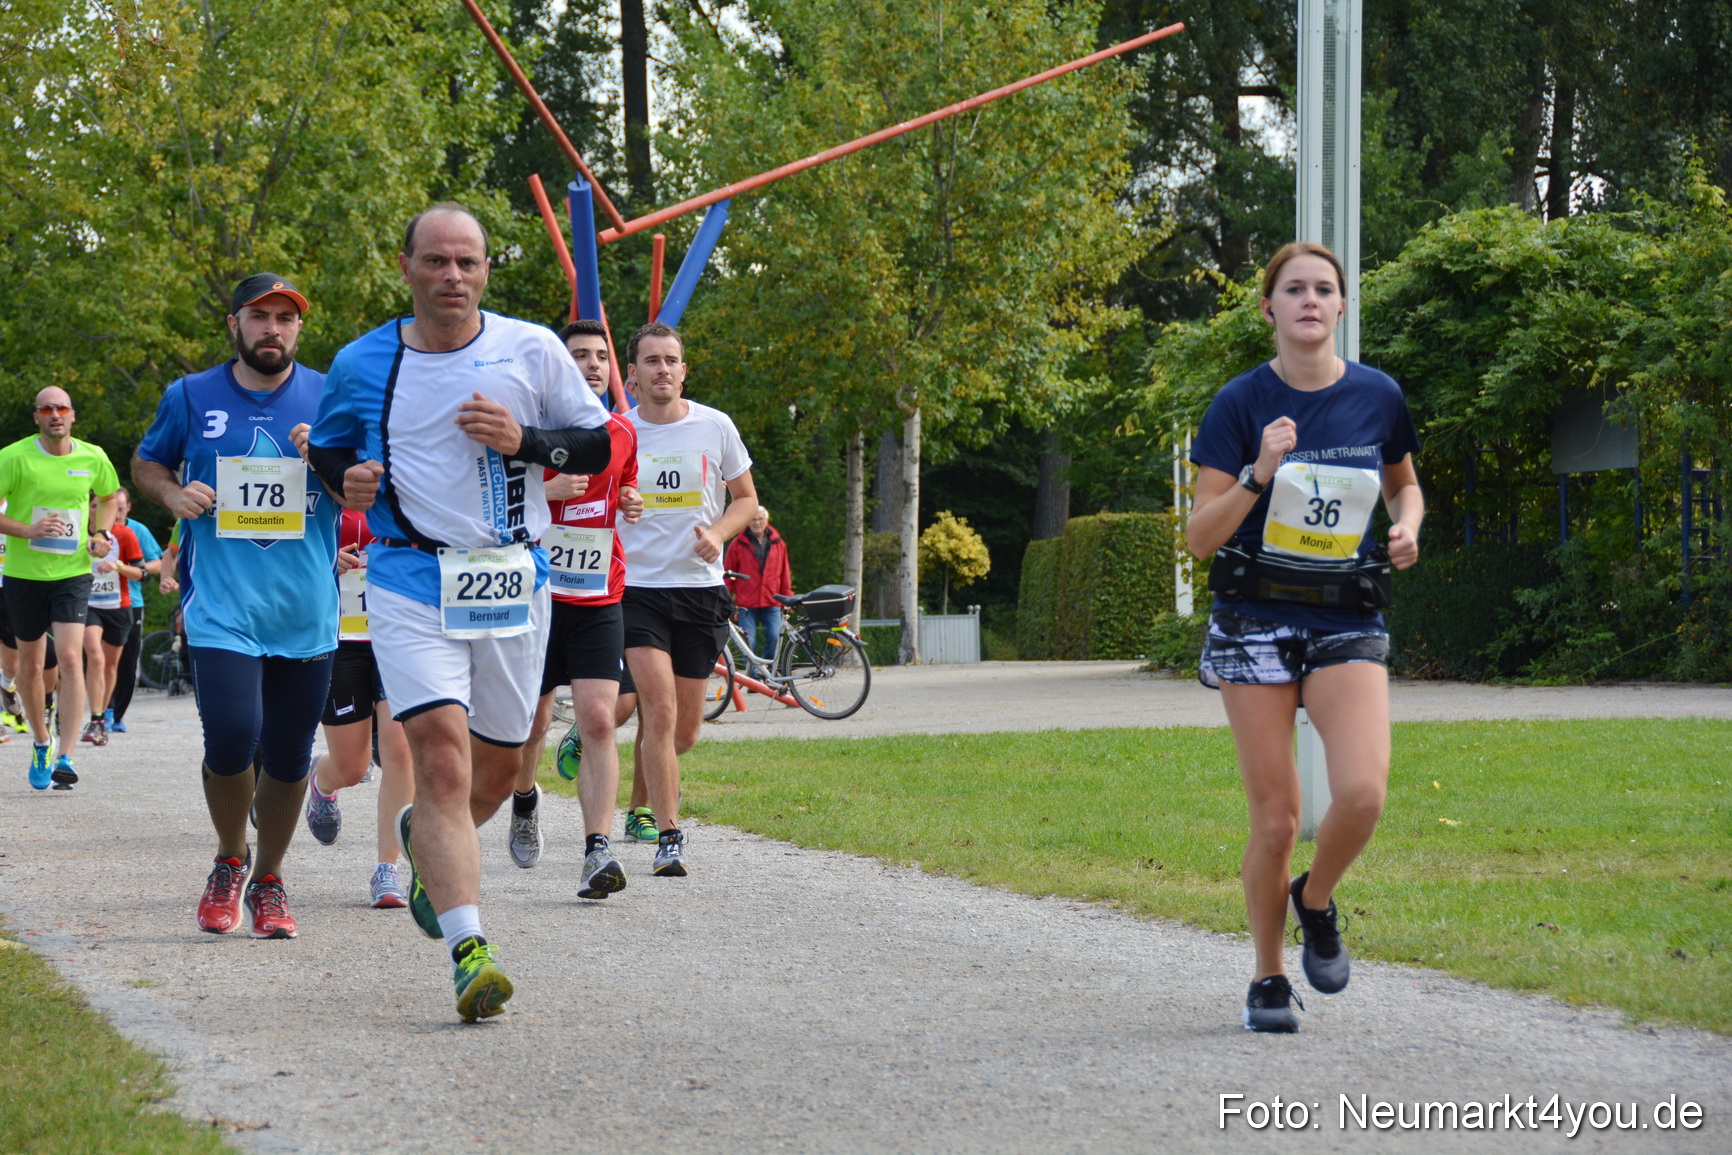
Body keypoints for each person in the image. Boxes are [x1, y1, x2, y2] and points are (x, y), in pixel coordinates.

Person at [307, 203, 613, 1022]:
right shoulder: (361, 361)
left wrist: (526, 442)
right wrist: (349, 482)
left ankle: (423, 842)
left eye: (468, 263)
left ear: (485, 271)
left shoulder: (533, 350)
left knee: (499, 772)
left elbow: (602, 446)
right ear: (405, 266)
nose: (452, 277)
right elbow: (329, 446)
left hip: (514, 579)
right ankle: (468, 950)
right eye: (436, 262)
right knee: (439, 758)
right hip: (409, 580)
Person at [1185, 242, 1423, 1034]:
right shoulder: (1238, 402)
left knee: (1361, 793)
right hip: (1253, 617)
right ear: (1270, 308)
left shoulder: (1378, 395)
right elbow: (1198, 537)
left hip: (1347, 615)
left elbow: (1404, 481)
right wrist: (1258, 471)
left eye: (1325, 289)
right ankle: (1267, 975)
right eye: (1294, 289)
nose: (1311, 300)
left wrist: (1408, 525)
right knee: (1279, 818)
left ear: (1343, 306)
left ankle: (1313, 900)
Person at [133, 273, 340, 939]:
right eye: (259, 316)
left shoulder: (331, 394)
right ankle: (229, 857)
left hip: (306, 610)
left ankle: (270, 880)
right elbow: (146, 463)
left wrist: (329, 459)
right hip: (223, 607)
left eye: (285, 317)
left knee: (287, 757)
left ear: (299, 328)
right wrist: (171, 497)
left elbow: (368, 488)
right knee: (228, 737)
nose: (272, 329)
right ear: (235, 324)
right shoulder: (190, 395)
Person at [507, 319, 642, 896]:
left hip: (598, 595)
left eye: (598, 356)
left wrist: (631, 499)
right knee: (531, 725)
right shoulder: (527, 431)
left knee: (596, 721)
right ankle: (523, 799)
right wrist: (541, 491)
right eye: (578, 355)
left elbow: (625, 485)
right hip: (537, 597)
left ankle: (597, 851)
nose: (590, 365)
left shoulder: (620, 433)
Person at [617, 320, 757, 877]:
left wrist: (718, 534)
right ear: (633, 375)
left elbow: (745, 499)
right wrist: (621, 502)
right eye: (651, 361)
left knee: (683, 734)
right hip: (637, 591)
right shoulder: (619, 433)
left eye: (671, 360)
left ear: (684, 370)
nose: (663, 370)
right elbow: (589, 505)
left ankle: (638, 804)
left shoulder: (715, 426)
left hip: (700, 591)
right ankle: (669, 834)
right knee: (660, 709)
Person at [0, 387, 122, 789]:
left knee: (71, 658)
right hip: (24, 575)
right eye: (47, 409)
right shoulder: (13, 457)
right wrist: (28, 530)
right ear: (36, 417)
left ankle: (65, 755)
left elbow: (107, 497)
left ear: (72, 416)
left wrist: (100, 531)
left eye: (62, 408)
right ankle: (40, 741)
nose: (56, 415)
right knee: (31, 667)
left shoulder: (93, 456)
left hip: (72, 573)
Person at [301, 508, 415, 908]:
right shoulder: (325, 486)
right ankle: (323, 781)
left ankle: (387, 869)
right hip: (340, 639)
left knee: (401, 751)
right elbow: (285, 552)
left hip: (397, 636)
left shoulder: (405, 487)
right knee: (352, 767)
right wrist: (328, 562)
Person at [79, 493, 146, 746]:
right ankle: (96, 719)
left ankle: (103, 715)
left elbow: (141, 574)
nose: (97, 511)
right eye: (93, 506)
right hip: (87, 605)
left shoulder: (125, 535)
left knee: (109, 665)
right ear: (87, 507)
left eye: (102, 507)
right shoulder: (78, 533)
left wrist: (117, 566)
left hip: (119, 607)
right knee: (94, 655)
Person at [106, 488, 165, 733]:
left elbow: (159, 562)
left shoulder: (137, 531)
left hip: (131, 602)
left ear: (128, 507)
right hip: (98, 602)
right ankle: (104, 710)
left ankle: (117, 714)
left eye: (121, 508)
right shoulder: (95, 530)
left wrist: (136, 568)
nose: (117, 513)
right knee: (100, 658)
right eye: (113, 507)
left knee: (127, 661)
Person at [724, 505, 792, 658]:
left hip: (772, 599)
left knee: (775, 637)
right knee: (749, 641)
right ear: (748, 522)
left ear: (766, 521)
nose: (757, 523)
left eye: (760, 519)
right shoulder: (737, 544)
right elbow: (729, 574)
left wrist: (787, 596)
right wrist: (726, 598)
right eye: (753, 519)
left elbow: (784, 571)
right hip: (746, 603)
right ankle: (752, 678)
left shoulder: (778, 543)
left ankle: (767, 673)